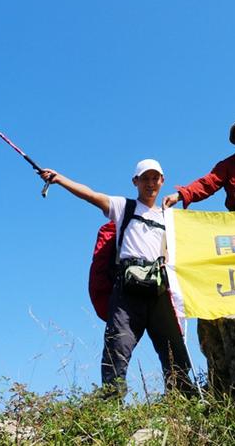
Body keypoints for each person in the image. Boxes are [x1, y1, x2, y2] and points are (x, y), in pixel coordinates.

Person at [39, 159, 193, 395]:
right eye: (145, 178)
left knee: (174, 349)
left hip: (160, 289)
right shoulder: (124, 207)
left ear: (162, 181)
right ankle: (111, 405)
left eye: (155, 178)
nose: (150, 183)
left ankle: (183, 402)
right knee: (117, 346)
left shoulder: (170, 218)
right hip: (127, 289)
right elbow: (90, 195)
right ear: (135, 181)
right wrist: (60, 179)